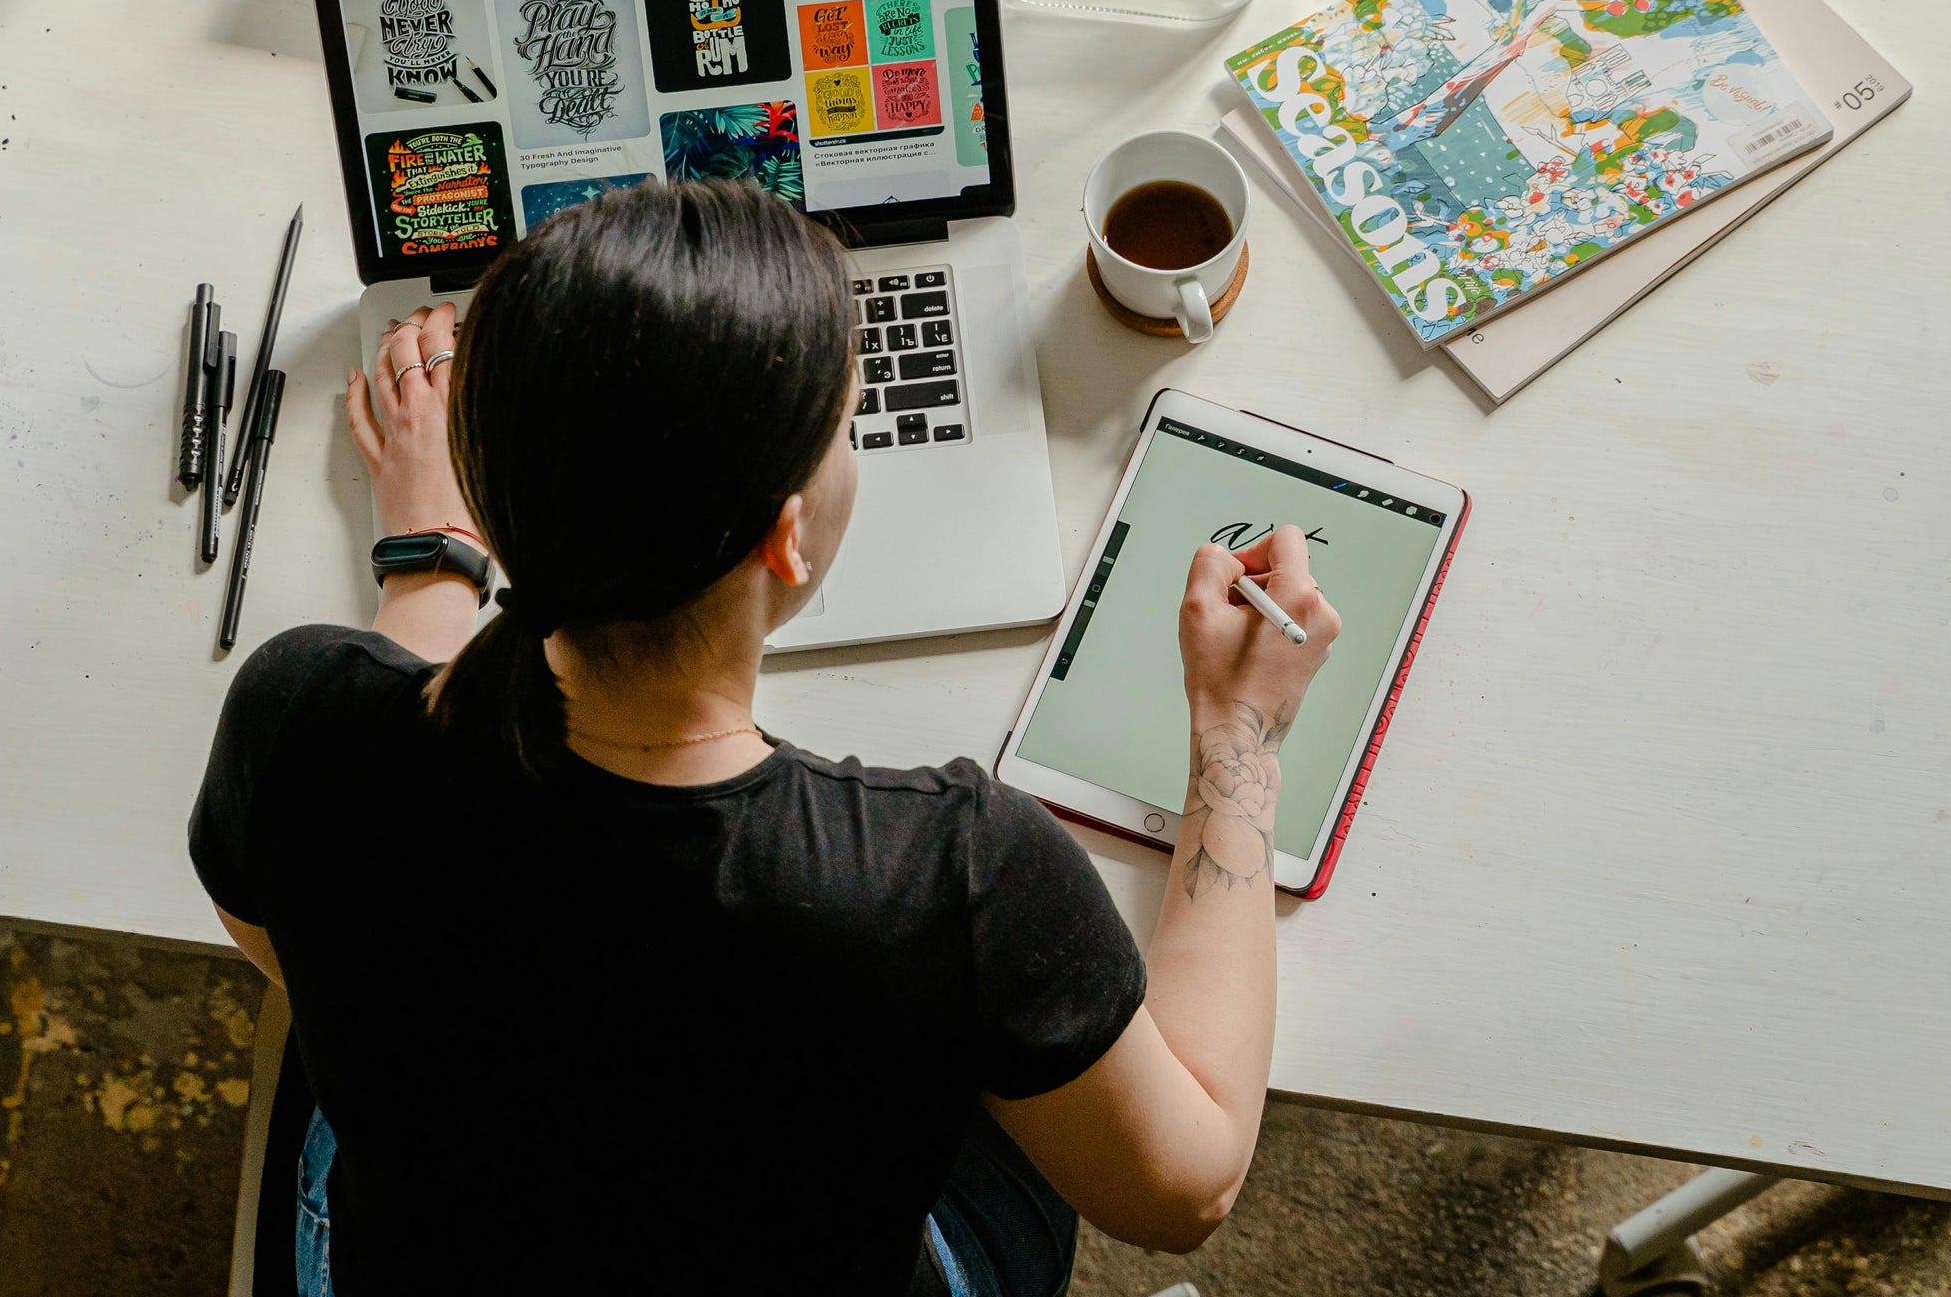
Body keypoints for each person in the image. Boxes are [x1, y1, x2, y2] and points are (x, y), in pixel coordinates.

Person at [190, 180, 1341, 1296]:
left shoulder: (299, 713)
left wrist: (430, 550)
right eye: (847, 424)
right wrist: (1237, 731)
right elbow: (1182, 1190)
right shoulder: (946, 875)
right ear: (786, 537)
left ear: (496, 494)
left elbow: (281, 933)